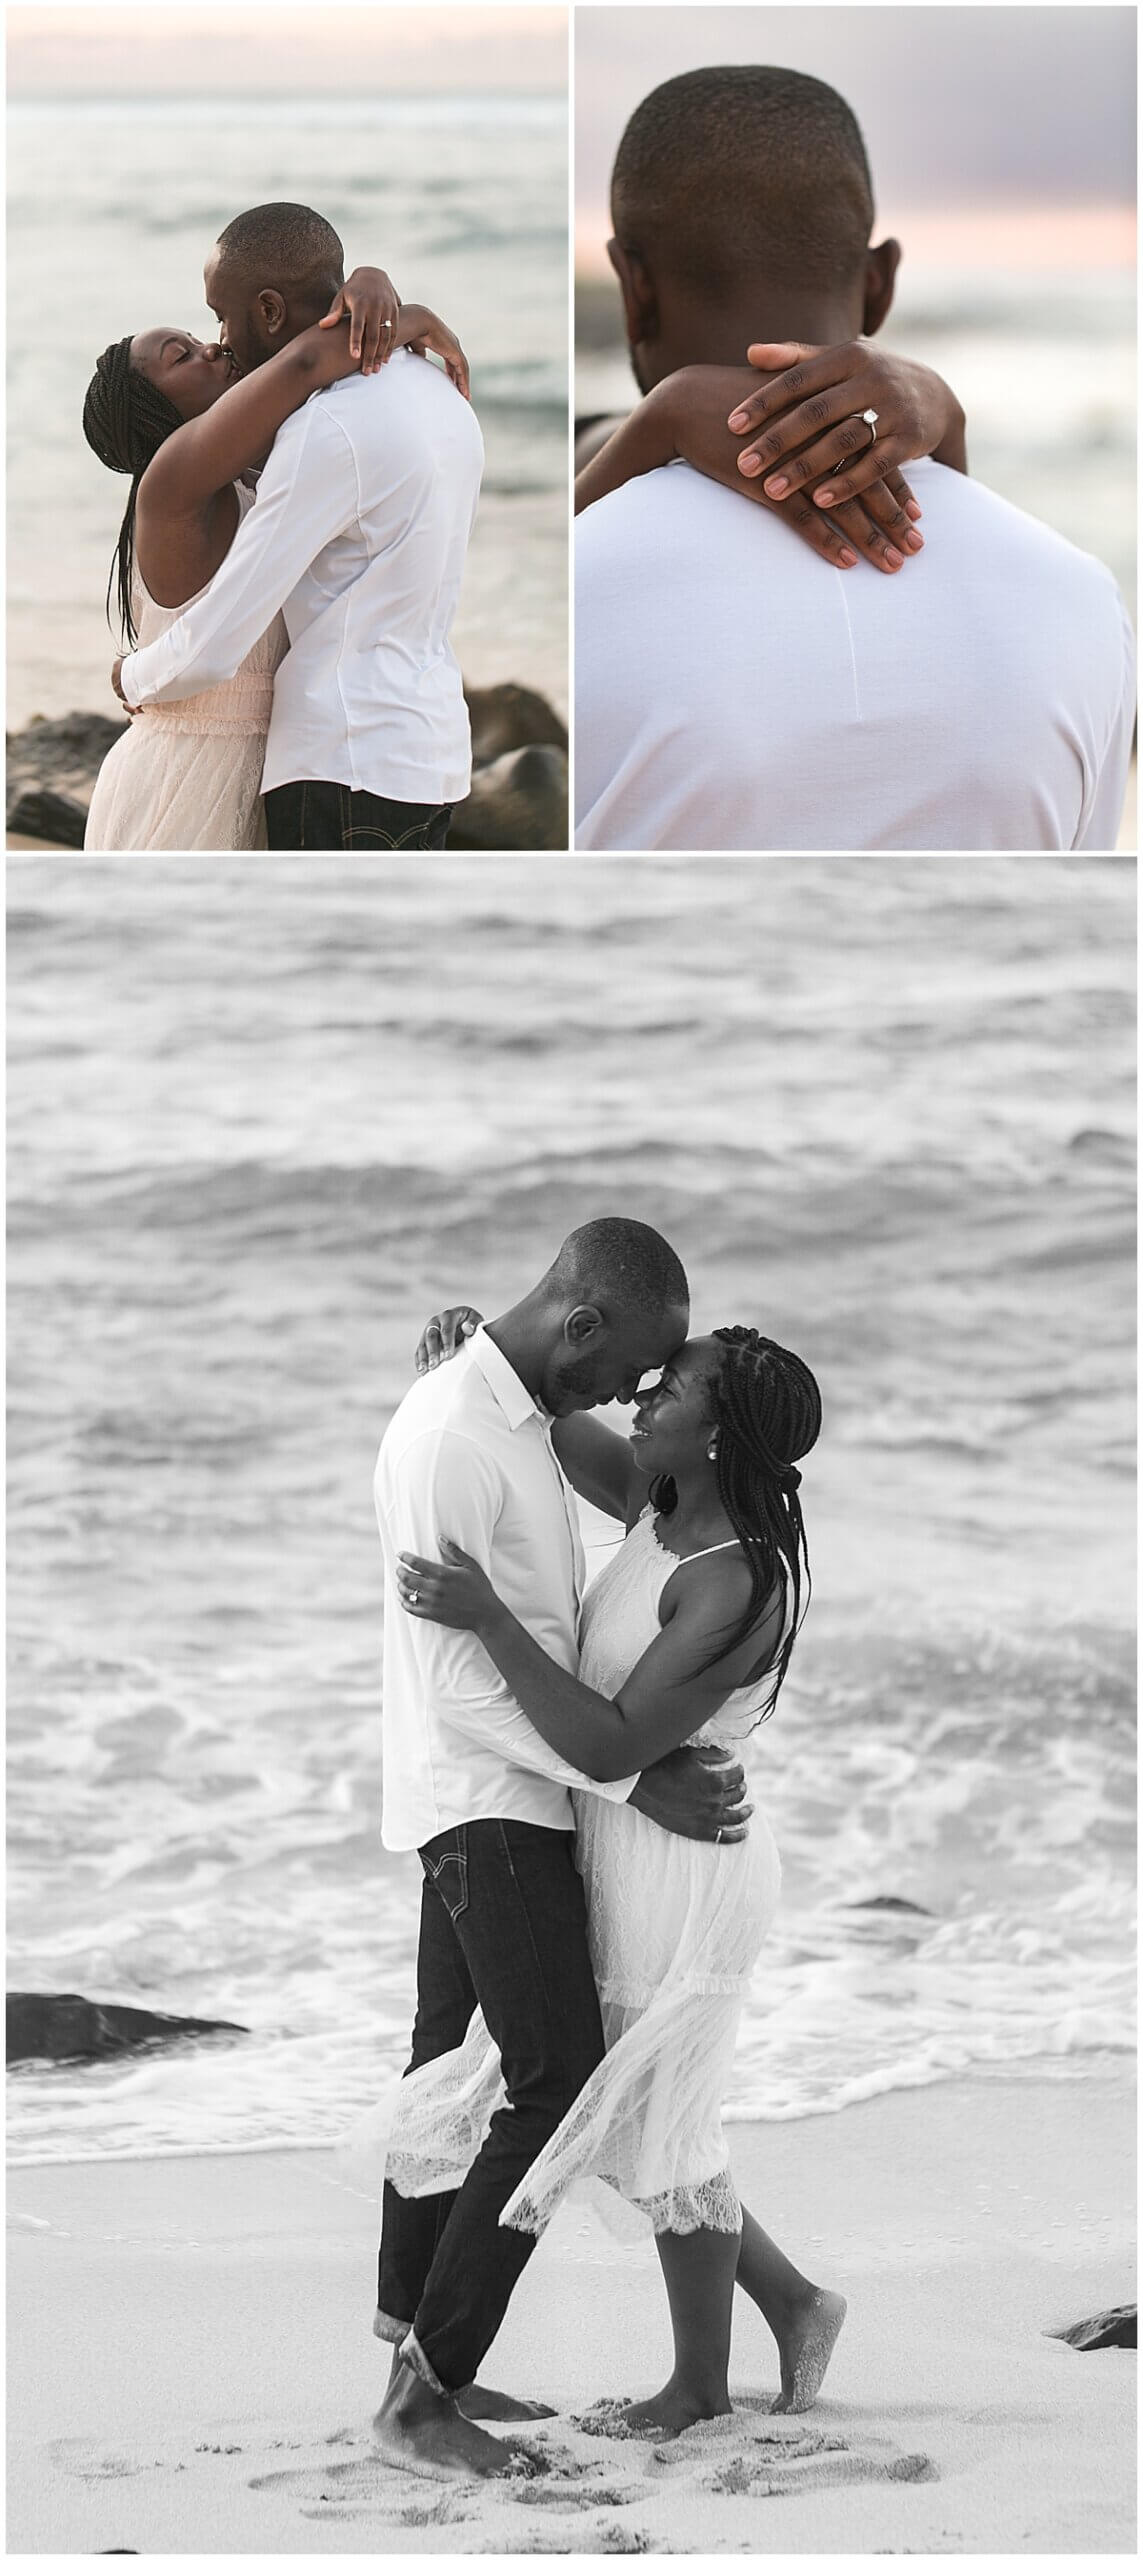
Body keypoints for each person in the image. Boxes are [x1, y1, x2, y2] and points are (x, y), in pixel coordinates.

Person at [393, 1308, 845, 2438]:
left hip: (688, 1871)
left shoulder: (732, 1579)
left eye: (669, 1388)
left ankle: (701, 2384)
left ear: (717, 1434)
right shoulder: (662, 1498)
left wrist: (489, 1618)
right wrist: (474, 1361)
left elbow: (607, 1746)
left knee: (661, 2121)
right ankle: (793, 2301)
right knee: (627, 2112)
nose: (641, 1395)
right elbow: (541, 1417)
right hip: (628, 1842)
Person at [371, 1221, 755, 2480]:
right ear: (582, 1330)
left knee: (457, 2068)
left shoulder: (516, 1417)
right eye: (626, 1371)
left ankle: (425, 2360)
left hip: (515, 1798)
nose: (627, 1399)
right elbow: (462, 1692)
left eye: (659, 1387)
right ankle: (422, 2400)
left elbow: (530, 1602)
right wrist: (636, 1777)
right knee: (551, 2080)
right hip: (486, 1795)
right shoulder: (454, 1435)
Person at [574, 67, 1136, 852]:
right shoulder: (1081, 599)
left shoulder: (586, 578)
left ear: (633, 287)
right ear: (879, 285)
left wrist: (656, 420)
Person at [113, 202, 485, 851]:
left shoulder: (304, 444)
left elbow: (305, 367)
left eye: (218, 317)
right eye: (187, 353)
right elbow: (303, 365)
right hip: (395, 756)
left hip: (337, 762)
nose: (218, 341)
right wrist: (401, 310)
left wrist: (388, 301)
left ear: (268, 311)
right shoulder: (431, 395)